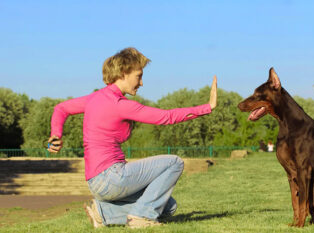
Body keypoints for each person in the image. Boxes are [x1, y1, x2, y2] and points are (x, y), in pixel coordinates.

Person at [47, 47, 217, 228]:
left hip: (95, 182)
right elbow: (167, 117)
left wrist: (56, 134)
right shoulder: (120, 105)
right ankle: (141, 217)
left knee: (167, 206)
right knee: (174, 163)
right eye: (139, 76)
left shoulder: (94, 98)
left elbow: (61, 108)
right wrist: (208, 107)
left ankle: (103, 213)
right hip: (111, 178)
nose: (141, 83)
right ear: (123, 73)